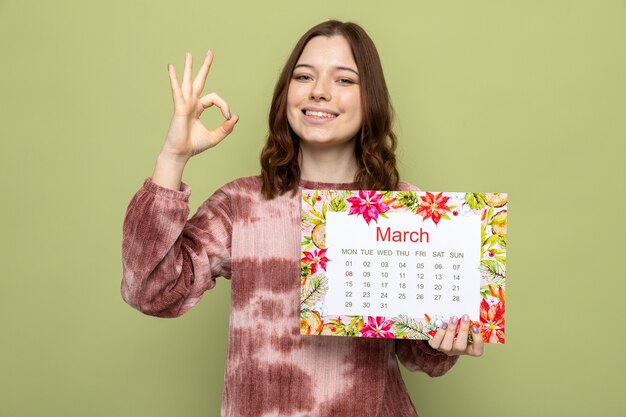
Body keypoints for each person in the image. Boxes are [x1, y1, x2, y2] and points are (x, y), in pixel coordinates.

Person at [121, 20, 484, 417]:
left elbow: (425, 357)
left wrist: (443, 339)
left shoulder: (406, 210)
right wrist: (173, 157)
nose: (320, 91)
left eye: (344, 80)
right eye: (304, 75)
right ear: (286, 93)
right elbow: (151, 290)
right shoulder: (242, 204)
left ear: (371, 99)